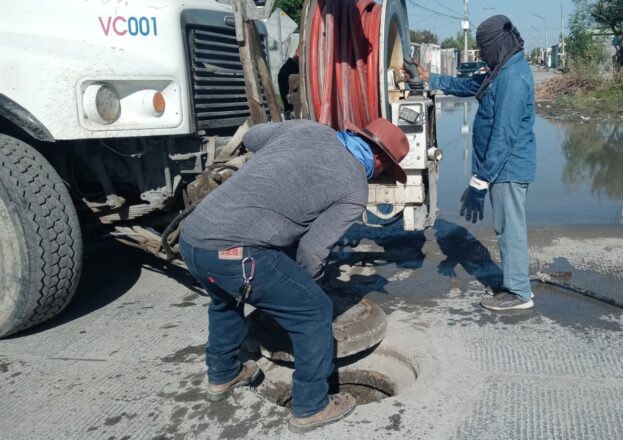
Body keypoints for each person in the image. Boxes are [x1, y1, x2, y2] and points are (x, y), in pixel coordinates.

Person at [178, 118, 409, 433]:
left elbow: (254, 136)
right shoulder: (355, 183)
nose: (378, 175)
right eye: (384, 171)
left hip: (193, 239)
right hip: (238, 254)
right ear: (379, 160)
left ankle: (223, 374)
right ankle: (313, 406)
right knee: (313, 310)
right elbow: (313, 251)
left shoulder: (306, 128)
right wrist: (303, 287)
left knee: (225, 299)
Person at [416, 15, 536, 311]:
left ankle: (519, 293)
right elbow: (471, 85)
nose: (482, 54)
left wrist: (479, 181)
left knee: (510, 229)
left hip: (506, 167)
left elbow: (504, 136)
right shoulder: (502, 69)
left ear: (497, 43)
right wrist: (428, 78)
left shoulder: (512, 78)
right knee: (506, 227)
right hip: (501, 167)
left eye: (484, 48)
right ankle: (515, 282)